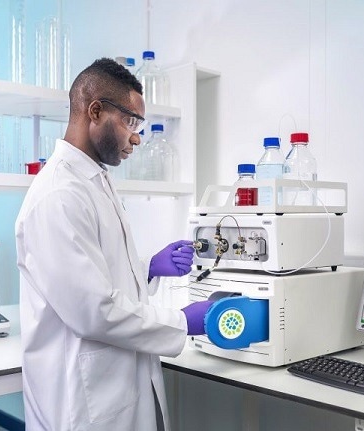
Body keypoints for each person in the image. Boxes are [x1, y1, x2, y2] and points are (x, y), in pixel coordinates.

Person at [15, 58, 214, 431]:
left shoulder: (94, 180)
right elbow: (93, 310)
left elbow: (94, 270)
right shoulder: (59, 194)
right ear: (95, 111)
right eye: (130, 122)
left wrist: (147, 266)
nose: (137, 137)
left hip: (115, 385)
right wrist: (181, 322)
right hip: (79, 401)